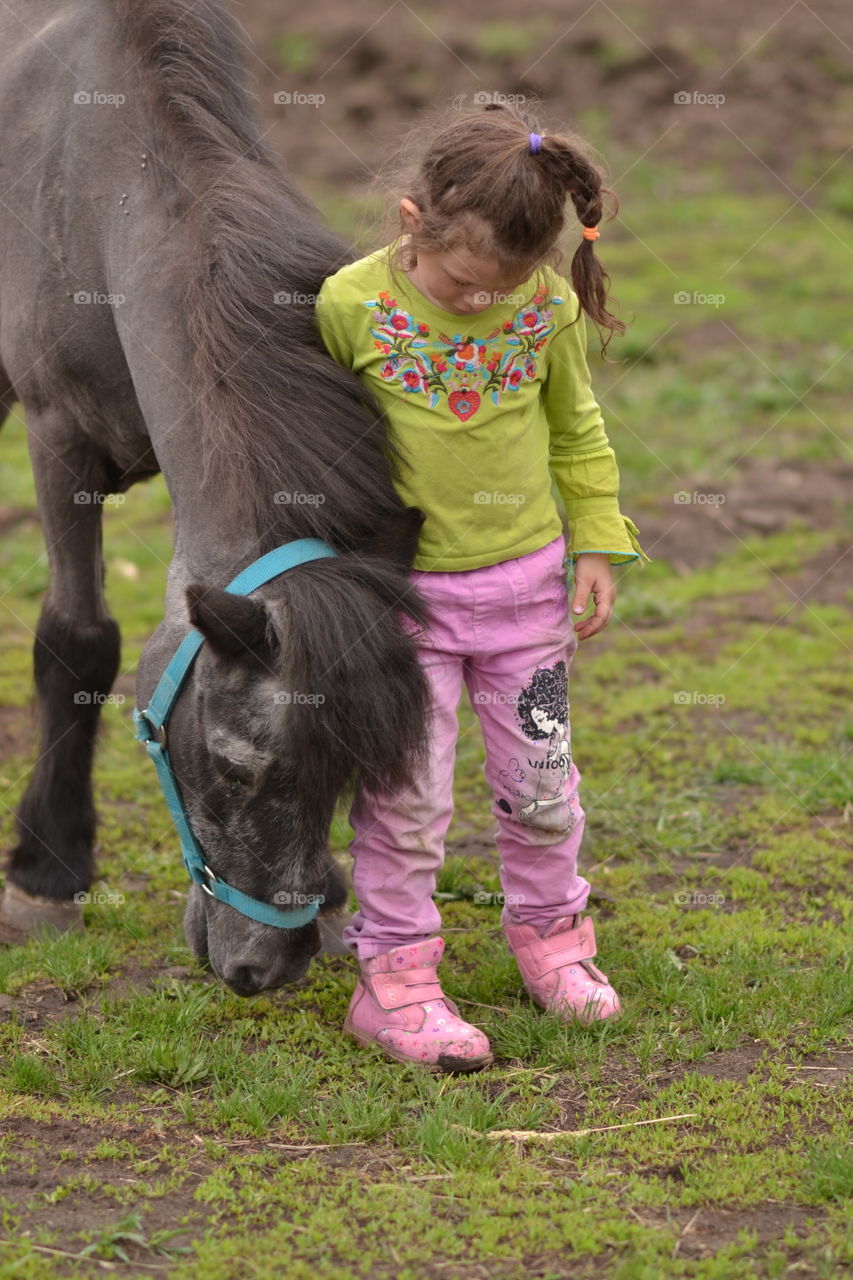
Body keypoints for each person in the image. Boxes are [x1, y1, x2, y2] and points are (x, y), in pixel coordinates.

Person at [313, 101, 648, 1072]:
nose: (477, 303)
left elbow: (577, 433)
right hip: (400, 604)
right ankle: (396, 979)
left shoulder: (542, 309)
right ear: (412, 222)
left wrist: (595, 541)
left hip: (525, 601)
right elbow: (312, 440)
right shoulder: (349, 305)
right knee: (407, 798)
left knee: (542, 790)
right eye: (462, 284)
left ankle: (552, 940)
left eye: (499, 288)